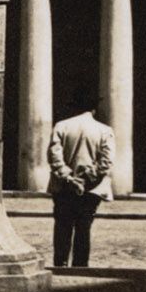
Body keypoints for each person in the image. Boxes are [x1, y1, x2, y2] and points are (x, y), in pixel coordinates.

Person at [48, 105, 117, 271]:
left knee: (63, 226)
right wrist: (86, 178)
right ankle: (80, 265)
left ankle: (61, 263)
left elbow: (54, 156)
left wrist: (69, 177)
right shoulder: (104, 130)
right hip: (91, 188)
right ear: (93, 110)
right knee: (84, 227)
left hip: (64, 187)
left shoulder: (61, 126)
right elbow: (106, 162)